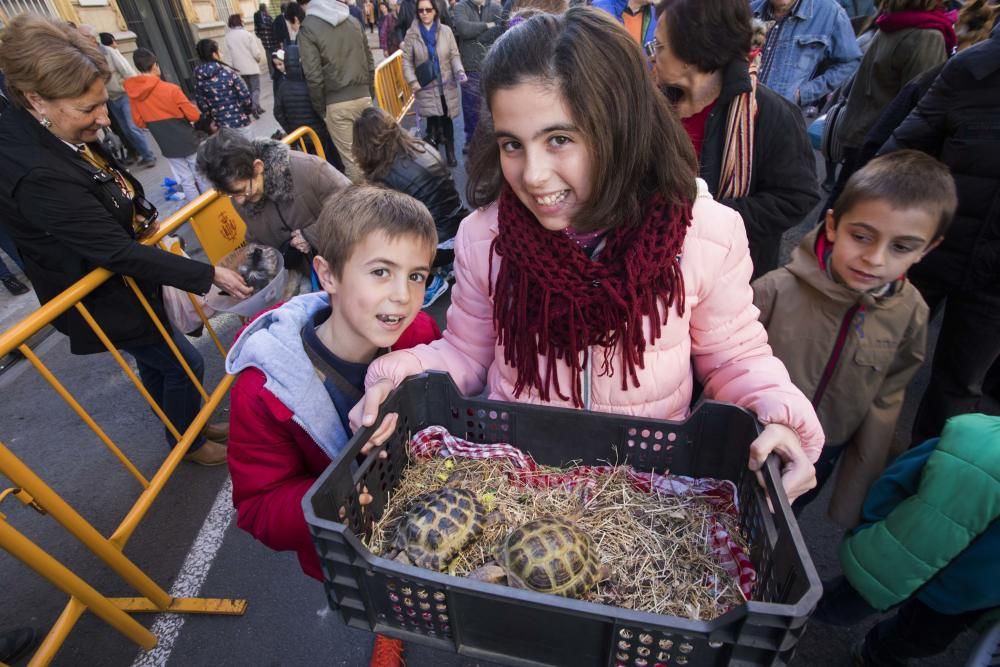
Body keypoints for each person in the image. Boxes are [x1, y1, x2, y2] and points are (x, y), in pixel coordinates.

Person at [351, 8, 824, 502]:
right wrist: (397, 377)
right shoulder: (484, 237)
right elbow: (468, 353)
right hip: (519, 487)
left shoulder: (705, 233)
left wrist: (777, 411)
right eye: (513, 144)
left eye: (559, 139)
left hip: (641, 494)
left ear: (620, 126)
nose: (532, 175)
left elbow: (734, 357)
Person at [0, 15, 252, 466]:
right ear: (36, 99)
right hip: (104, 295)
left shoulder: (48, 129)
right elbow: (112, 251)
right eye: (87, 110)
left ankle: (186, 424)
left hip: (125, 285)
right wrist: (208, 273)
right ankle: (189, 443)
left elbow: (101, 185)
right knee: (183, 364)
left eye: (103, 103)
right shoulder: (33, 169)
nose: (103, 119)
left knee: (162, 364)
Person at [225, 185, 441, 667]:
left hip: (423, 515)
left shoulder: (420, 335)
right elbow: (258, 506)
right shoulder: (264, 391)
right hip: (346, 549)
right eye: (381, 272)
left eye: (417, 276)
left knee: (428, 583)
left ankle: (409, 614)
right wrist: (332, 504)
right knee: (375, 599)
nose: (402, 297)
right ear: (328, 273)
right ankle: (388, 629)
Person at [753, 151, 957, 527]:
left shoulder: (911, 313)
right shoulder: (775, 290)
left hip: (822, 450)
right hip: (751, 436)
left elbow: (886, 401)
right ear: (833, 225)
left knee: (778, 523)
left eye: (901, 246)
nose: (874, 259)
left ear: (927, 249)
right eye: (861, 236)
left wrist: (855, 494)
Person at [879, 21, 1000, 446]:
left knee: (959, 388)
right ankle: (829, 457)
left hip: (993, 280)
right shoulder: (972, 71)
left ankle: (924, 485)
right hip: (927, 252)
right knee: (873, 360)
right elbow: (899, 151)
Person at [649, 0, 819, 279]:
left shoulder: (768, 115)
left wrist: (701, 214)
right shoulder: (655, 104)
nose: (653, 56)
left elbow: (796, 197)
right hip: (655, 260)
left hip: (726, 274)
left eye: (660, 46)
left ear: (692, 54)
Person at [818, 413, 1000, 666]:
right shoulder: (975, 439)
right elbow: (897, 480)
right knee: (837, 605)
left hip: (960, 598)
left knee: (918, 639)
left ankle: (875, 653)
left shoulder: (975, 436)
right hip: (894, 560)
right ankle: (786, 617)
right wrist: (873, 529)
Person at [827, 0, 954, 208]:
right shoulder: (925, 35)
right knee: (852, 211)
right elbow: (920, 107)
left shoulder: (892, 22)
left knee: (842, 205)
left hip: (862, 131)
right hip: (882, 143)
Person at [197, 128, 351, 284]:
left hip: (347, 265)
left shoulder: (309, 169)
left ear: (257, 167)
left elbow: (356, 207)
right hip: (312, 280)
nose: (239, 202)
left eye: (242, 191)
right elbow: (257, 240)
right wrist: (253, 271)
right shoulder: (240, 195)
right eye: (231, 195)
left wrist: (311, 234)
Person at [353, 106, 466, 307]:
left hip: (436, 246)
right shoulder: (421, 147)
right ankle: (449, 265)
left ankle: (431, 283)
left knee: (379, 237)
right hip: (461, 231)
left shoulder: (384, 176)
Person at [297, 0, 375, 183]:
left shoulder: (308, 27)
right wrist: (370, 93)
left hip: (336, 103)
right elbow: (370, 61)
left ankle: (368, 207)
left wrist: (322, 109)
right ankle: (385, 199)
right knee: (371, 155)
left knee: (353, 163)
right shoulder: (353, 22)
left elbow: (313, 76)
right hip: (363, 96)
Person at [124, 48, 210, 203]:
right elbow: (194, 115)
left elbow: (138, 122)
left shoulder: (134, 95)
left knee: (185, 179)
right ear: (155, 65)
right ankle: (210, 205)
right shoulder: (171, 89)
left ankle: (198, 210)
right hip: (186, 137)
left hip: (166, 142)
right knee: (200, 173)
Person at [750, 0, 862, 107]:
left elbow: (850, 63)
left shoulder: (829, 12)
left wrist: (804, 94)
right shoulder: (750, 10)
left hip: (785, 118)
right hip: (742, 113)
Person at [78, 25, 156, 168]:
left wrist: (127, 88)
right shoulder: (86, 56)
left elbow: (128, 72)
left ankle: (148, 155)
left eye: (81, 36)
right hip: (110, 99)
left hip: (124, 95)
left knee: (132, 127)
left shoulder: (108, 52)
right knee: (125, 130)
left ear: (91, 38)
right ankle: (140, 154)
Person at [402, 0, 467, 167]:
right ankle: (436, 160)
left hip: (446, 85)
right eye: (421, 10)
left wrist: (459, 71)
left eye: (428, 10)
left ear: (435, 11)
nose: (424, 13)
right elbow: (407, 62)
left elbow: (454, 55)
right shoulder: (412, 34)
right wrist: (413, 81)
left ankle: (451, 154)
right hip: (425, 87)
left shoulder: (446, 31)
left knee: (447, 120)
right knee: (431, 124)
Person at [272, 43, 346, 171]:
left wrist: (291, 129)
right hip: (320, 134)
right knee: (329, 163)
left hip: (301, 137)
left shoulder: (283, 87)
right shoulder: (311, 83)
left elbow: (278, 112)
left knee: (312, 165)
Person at [452, 0, 504, 150]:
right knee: (469, 106)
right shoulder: (460, 7)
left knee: (490, 106)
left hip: (491, 63)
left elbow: (499, 30)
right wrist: (487, 26)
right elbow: (463, 29)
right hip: (470, 65)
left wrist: (479, 33)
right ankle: (471, 140)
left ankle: (489, 142)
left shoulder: (496, 7)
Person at [193, 38, 254, 133]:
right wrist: (246, 112)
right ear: (214, 54)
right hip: (240, 123)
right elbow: (245, 97)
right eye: (219, 51)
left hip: (220, 129)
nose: (221, 53)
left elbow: (202, 105)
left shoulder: (199, 79)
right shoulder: (229, 73)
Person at [224, 14, 266, 118]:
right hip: (251, 66)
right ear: (239, 21)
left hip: (239, 69)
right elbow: (255, 52)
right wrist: (258, 58)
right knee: (256, 89)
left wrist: (230, 68)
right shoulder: (247, 34)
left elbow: (228, 55)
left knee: (249, 89)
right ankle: (254, 107)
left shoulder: (227, 37)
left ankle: (258, 107)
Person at [254, 3, 282, 97]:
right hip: (273, 41)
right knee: (275, 58)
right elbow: (274, 28)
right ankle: (277, 72)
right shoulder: (268, 18)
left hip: (265, 43)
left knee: (269, 58)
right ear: (265, 9)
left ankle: (271, 74)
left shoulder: (257, 20)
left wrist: (263, 37)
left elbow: (257, 33)